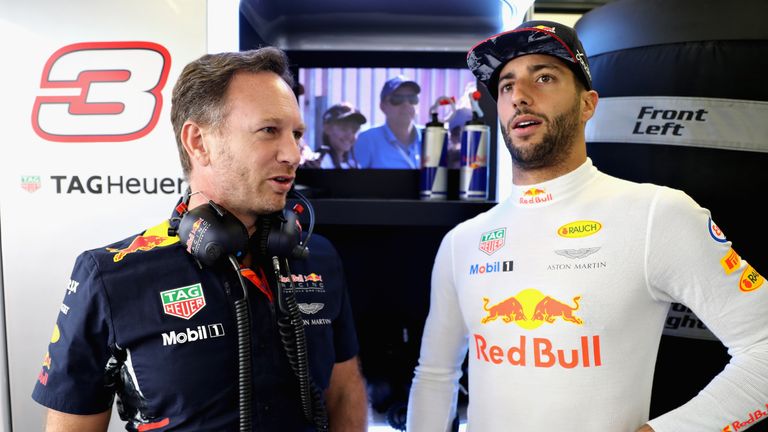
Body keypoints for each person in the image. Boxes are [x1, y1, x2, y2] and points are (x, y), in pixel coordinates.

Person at [406, 20, 768, 432]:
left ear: (588, 104)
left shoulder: (656, 214)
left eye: (544, 77)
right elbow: (435, 376)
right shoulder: (462, 242)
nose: (520, 96)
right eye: (506, 86)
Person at [31, 47, 368, 432]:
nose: (293, 153)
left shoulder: (318, 257)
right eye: (269, 131)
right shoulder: (109, 275)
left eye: (296, 134)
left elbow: (343, 392)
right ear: (198, 142)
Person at [354, 75, 422, 169]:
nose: (406, 104)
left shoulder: (431, 137)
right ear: (382, 106)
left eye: (412, 98)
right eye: (397, 99)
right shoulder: (367, 140)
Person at [305, 103, 367, 169]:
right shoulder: (316, 164)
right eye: (344, 127)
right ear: (327, 128)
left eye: (355, 129)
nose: (349, 135)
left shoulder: (354, 166)